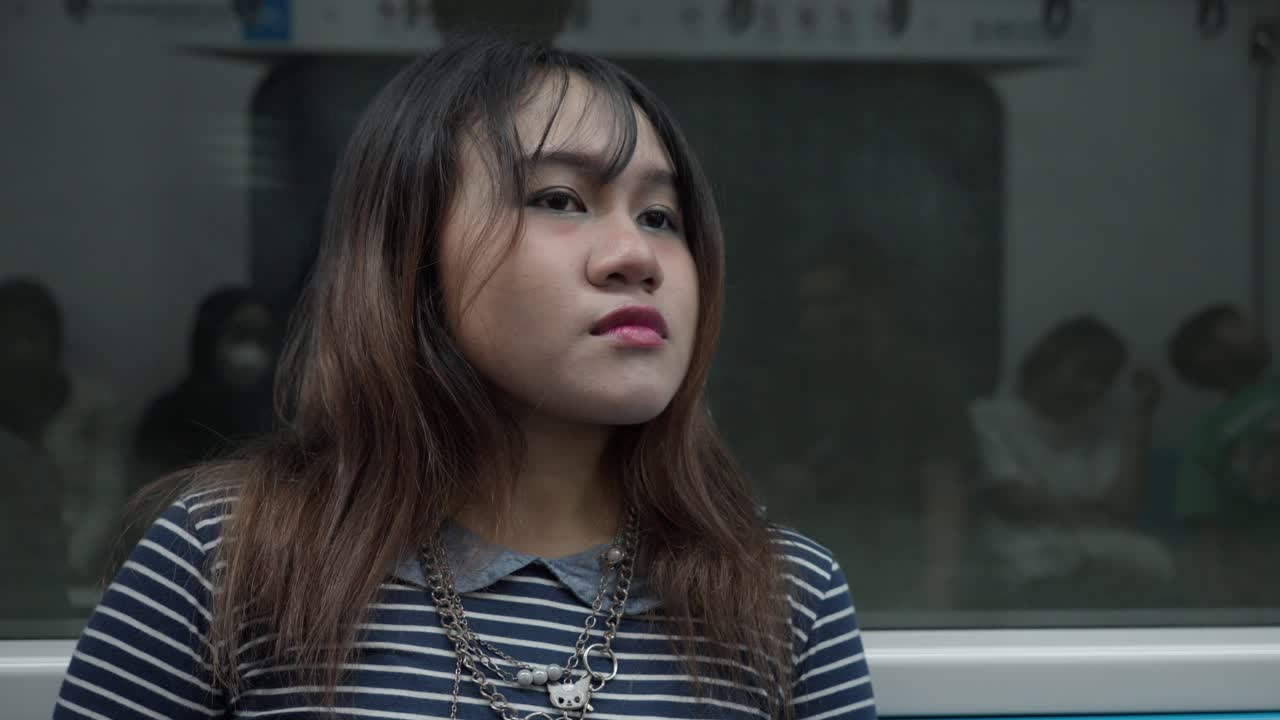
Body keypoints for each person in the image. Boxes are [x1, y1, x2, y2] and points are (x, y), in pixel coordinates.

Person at [54, 37, 875, 720]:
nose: (637, 256)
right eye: (560, 199)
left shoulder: (785, 598)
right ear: (412, 254)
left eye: (661, 217)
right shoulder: (225, 559)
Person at [969, 316, 1174, 604]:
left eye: (1104, 379)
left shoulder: (1100, 428)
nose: (1092, 388)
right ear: (1049, 359)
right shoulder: (989, 418)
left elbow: (1123, 507)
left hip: (1102, 551)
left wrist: (1143, 416)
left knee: (1153, 560)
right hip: (1025, 553)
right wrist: (1092, 510)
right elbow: (1016, 501)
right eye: (1084, 372)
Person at [0, 277, 125, 591]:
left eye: (32, 337)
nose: (20, 351)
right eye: (8, 338)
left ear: (54, 341)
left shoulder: (94, 407)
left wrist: (67, 563)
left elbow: (105, 501)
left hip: (76, 570)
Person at [1169, 303, 1279, 604]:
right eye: (1236, 325)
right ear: (1207, 354)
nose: (1256, 330)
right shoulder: (1209, 432)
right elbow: (1201, 522)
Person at [131, 286, 277, 487]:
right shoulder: (168, 417)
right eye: (240, 334)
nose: (252, 350)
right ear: (209, 338)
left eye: (262, 337)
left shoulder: (280, 416)